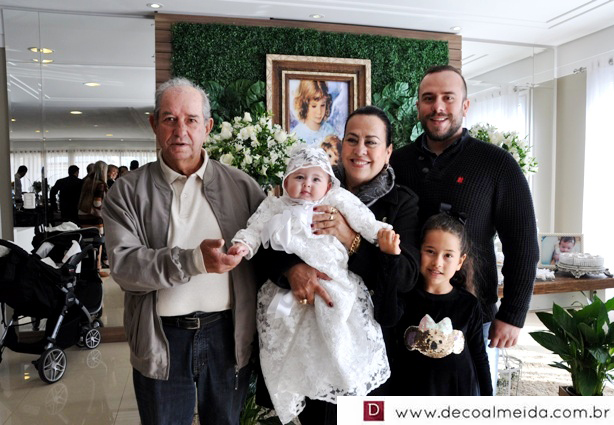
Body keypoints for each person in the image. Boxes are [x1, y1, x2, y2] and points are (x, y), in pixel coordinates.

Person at [102, 77, 265, 425]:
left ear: (207, 127)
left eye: (191, 120)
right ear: (154, 124)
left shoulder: (242, 186)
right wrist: (193, 260)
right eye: (169, 119)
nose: (181, 131)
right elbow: (125, 267)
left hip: (227, 336)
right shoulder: (127, 192)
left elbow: (272, 249)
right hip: (161, 338)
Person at [390, 65, 539, 392]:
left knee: (472, 405)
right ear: (418, 106)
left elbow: (523, 246)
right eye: (429, 98)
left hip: (475, 317)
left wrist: (513, 313)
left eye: (448, 98)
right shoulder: (396, 164)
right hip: (404, 315)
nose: (438, 107)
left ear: (465, 105)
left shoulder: (497, 164)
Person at [270, 106, 420, 424]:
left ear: (388, 151)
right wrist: (291, 269)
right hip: (313, 340)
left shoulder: (403, 203)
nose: (360, 150)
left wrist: (350, 239)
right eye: (352, 140)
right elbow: (270, 239)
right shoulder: (313, 184)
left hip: (368, 344)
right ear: (340, 146)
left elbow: (405, 276)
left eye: (371, 142)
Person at [229, 145, 394, 423]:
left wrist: (382, 233)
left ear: (328, 184)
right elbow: (255, 229)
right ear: (285, 182)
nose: (307, 184)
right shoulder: (274, 206)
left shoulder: (336, 200)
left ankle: (344, 377)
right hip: (286, 291)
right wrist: (243, 245)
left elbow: (363, 219)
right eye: (299, 177)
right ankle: (293, 384)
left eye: (315, 179)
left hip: (334, 280)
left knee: (337, 321)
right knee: (284, 331)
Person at [393, 212, 492, 396]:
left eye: (448, 255)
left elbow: (479, 355)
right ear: (418, 251)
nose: (437, 262)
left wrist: (488, 398)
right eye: (430, 251)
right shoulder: (405, 297)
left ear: (460, 262)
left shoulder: (468, 304)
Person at [291, 80, 337, 145]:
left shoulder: (330, 131)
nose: (319, 111)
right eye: (314, 106)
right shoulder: (297, 135)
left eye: (322, 105)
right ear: (304, 105)